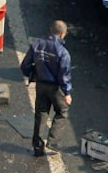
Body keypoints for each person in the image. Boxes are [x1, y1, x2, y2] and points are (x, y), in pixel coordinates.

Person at [20, 19, 72, 156]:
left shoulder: (36, 44)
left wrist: (33, 74)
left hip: (40, 85)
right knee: (62, 112)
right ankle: (53, 142)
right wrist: (67, 93)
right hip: (55, 88)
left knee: (41, 114)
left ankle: (38, 146)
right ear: (62, 34)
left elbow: (25, 66)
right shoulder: (63, 52)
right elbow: (64, 75)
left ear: (51, 30)